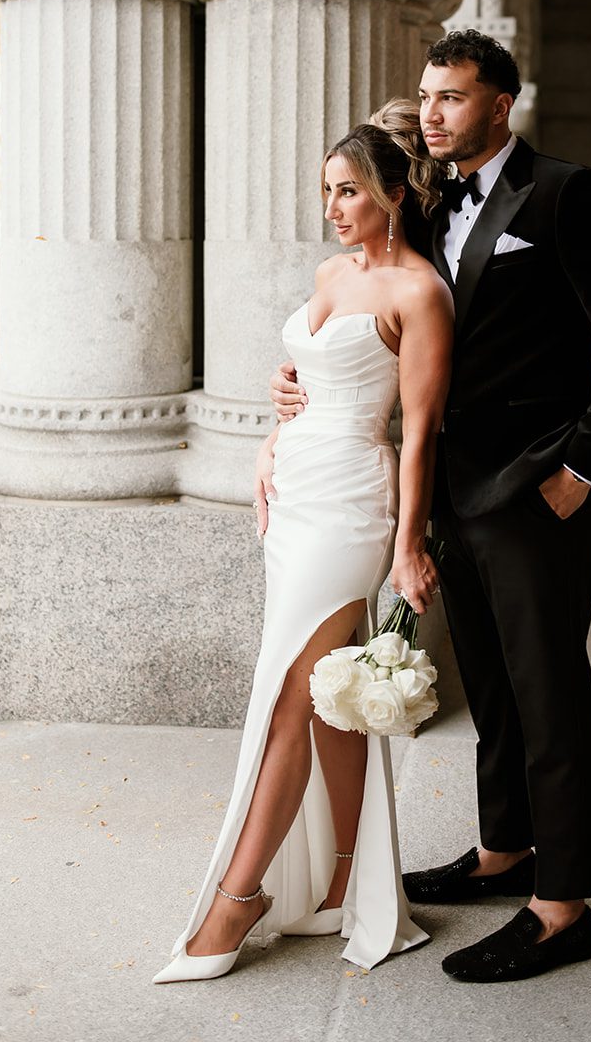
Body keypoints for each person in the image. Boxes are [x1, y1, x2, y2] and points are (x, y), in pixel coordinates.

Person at [271, 30, 591, 985]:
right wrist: (302, 384)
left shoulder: (566, 194)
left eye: (453, 97)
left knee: (547, 688)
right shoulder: (428, 200)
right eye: (428, 97)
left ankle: (563, 903)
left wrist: (581, 469)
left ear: (503, 104)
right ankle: (504, 852)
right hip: (452, 484)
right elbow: (385, 317)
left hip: (540, 484)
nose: (436, 113)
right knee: (490, 684)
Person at [154, 109, 453, 984]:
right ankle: (337, 886)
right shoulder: (330, 271)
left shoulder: (419, 294)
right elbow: (308, 373)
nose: (332, 206)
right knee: (330, 696)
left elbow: (423, 430)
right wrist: (266, 437)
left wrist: (408, 545)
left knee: (292, 693)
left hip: (354, 504)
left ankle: (235, 900)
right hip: (292, 496)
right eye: (326, 190)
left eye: (349, 190)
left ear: (394, 195)